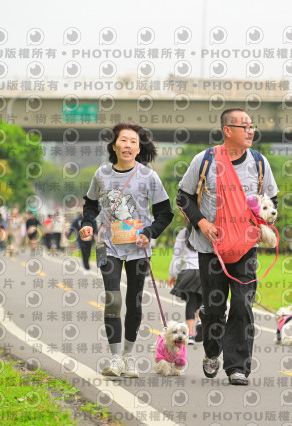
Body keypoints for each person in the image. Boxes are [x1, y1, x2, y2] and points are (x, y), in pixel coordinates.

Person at [176, 108, 279, 386]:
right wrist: (202, 224)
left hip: (245, 248)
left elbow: (272, 200)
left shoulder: (259, 163)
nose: (250, 131)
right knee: (214, 307)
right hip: (211, 248)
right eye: (244, 126)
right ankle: (212, 351)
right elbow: (183, 197)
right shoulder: (206, 160)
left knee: (243, 304)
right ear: (227, 130)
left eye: (251, 126)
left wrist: (264, 224)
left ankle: (238, 367)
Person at [79, 123, 173, 378]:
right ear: (114, 146)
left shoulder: (148, 176)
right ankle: (115, 358)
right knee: (113, 299)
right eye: (123, 140)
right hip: (107, 246)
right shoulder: (102, 174)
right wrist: (87, 224)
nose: (128, 145)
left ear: (138, 148)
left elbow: (165, 213)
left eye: (133, 142)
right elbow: (90, 205)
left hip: (137, 249)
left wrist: (149, 232)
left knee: (133, 302)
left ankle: (129, 356)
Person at [168, 222, 202, 345]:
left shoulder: (183, 233)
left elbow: (177, 257)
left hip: (188, 272)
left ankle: (191, 335)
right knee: (201, 301)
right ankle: (200, 321)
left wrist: (173, 274)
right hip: (204, 271)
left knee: (191, 302)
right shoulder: (206, 231)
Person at [69, 209, 94, 274]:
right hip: (81, 239)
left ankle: (87, 264)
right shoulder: (78, 219)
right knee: (84, 253)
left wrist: (96, 233)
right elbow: (72, 227)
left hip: (90, 239)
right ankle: (86, 267)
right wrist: (69, 235)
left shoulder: (91, 218)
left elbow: (95, 226)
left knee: (88, 253)